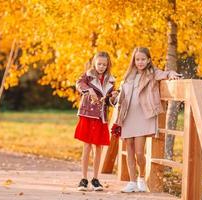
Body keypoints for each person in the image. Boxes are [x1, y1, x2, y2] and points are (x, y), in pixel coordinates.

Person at [111, 47, 181, 193]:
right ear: (134, 60)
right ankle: (131, 182)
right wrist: (114, 98)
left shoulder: (152, 73)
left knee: (139, 152)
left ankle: (141, 178)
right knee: (129, 149)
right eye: (137, 59)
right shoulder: (129, 75)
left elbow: (165, 73)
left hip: (143, 117)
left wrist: (171, 73)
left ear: (148, 60)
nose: (140, 62)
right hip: (128, 116)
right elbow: (122, 94)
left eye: (143, 59)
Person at [74, 51, 119, 191]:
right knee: (87, 146)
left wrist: (114, 96)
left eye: (104, 64)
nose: (101, 66)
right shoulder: (87, 76)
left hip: (101, 116)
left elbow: (111, 100)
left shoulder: (111, 80)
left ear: (108, 65)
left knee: (98, 147)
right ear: (94, 63)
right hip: (88, 114)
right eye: (99, 63)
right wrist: (89, 91)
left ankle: (95, 179)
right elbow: (79, 84)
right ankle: (83, 179)